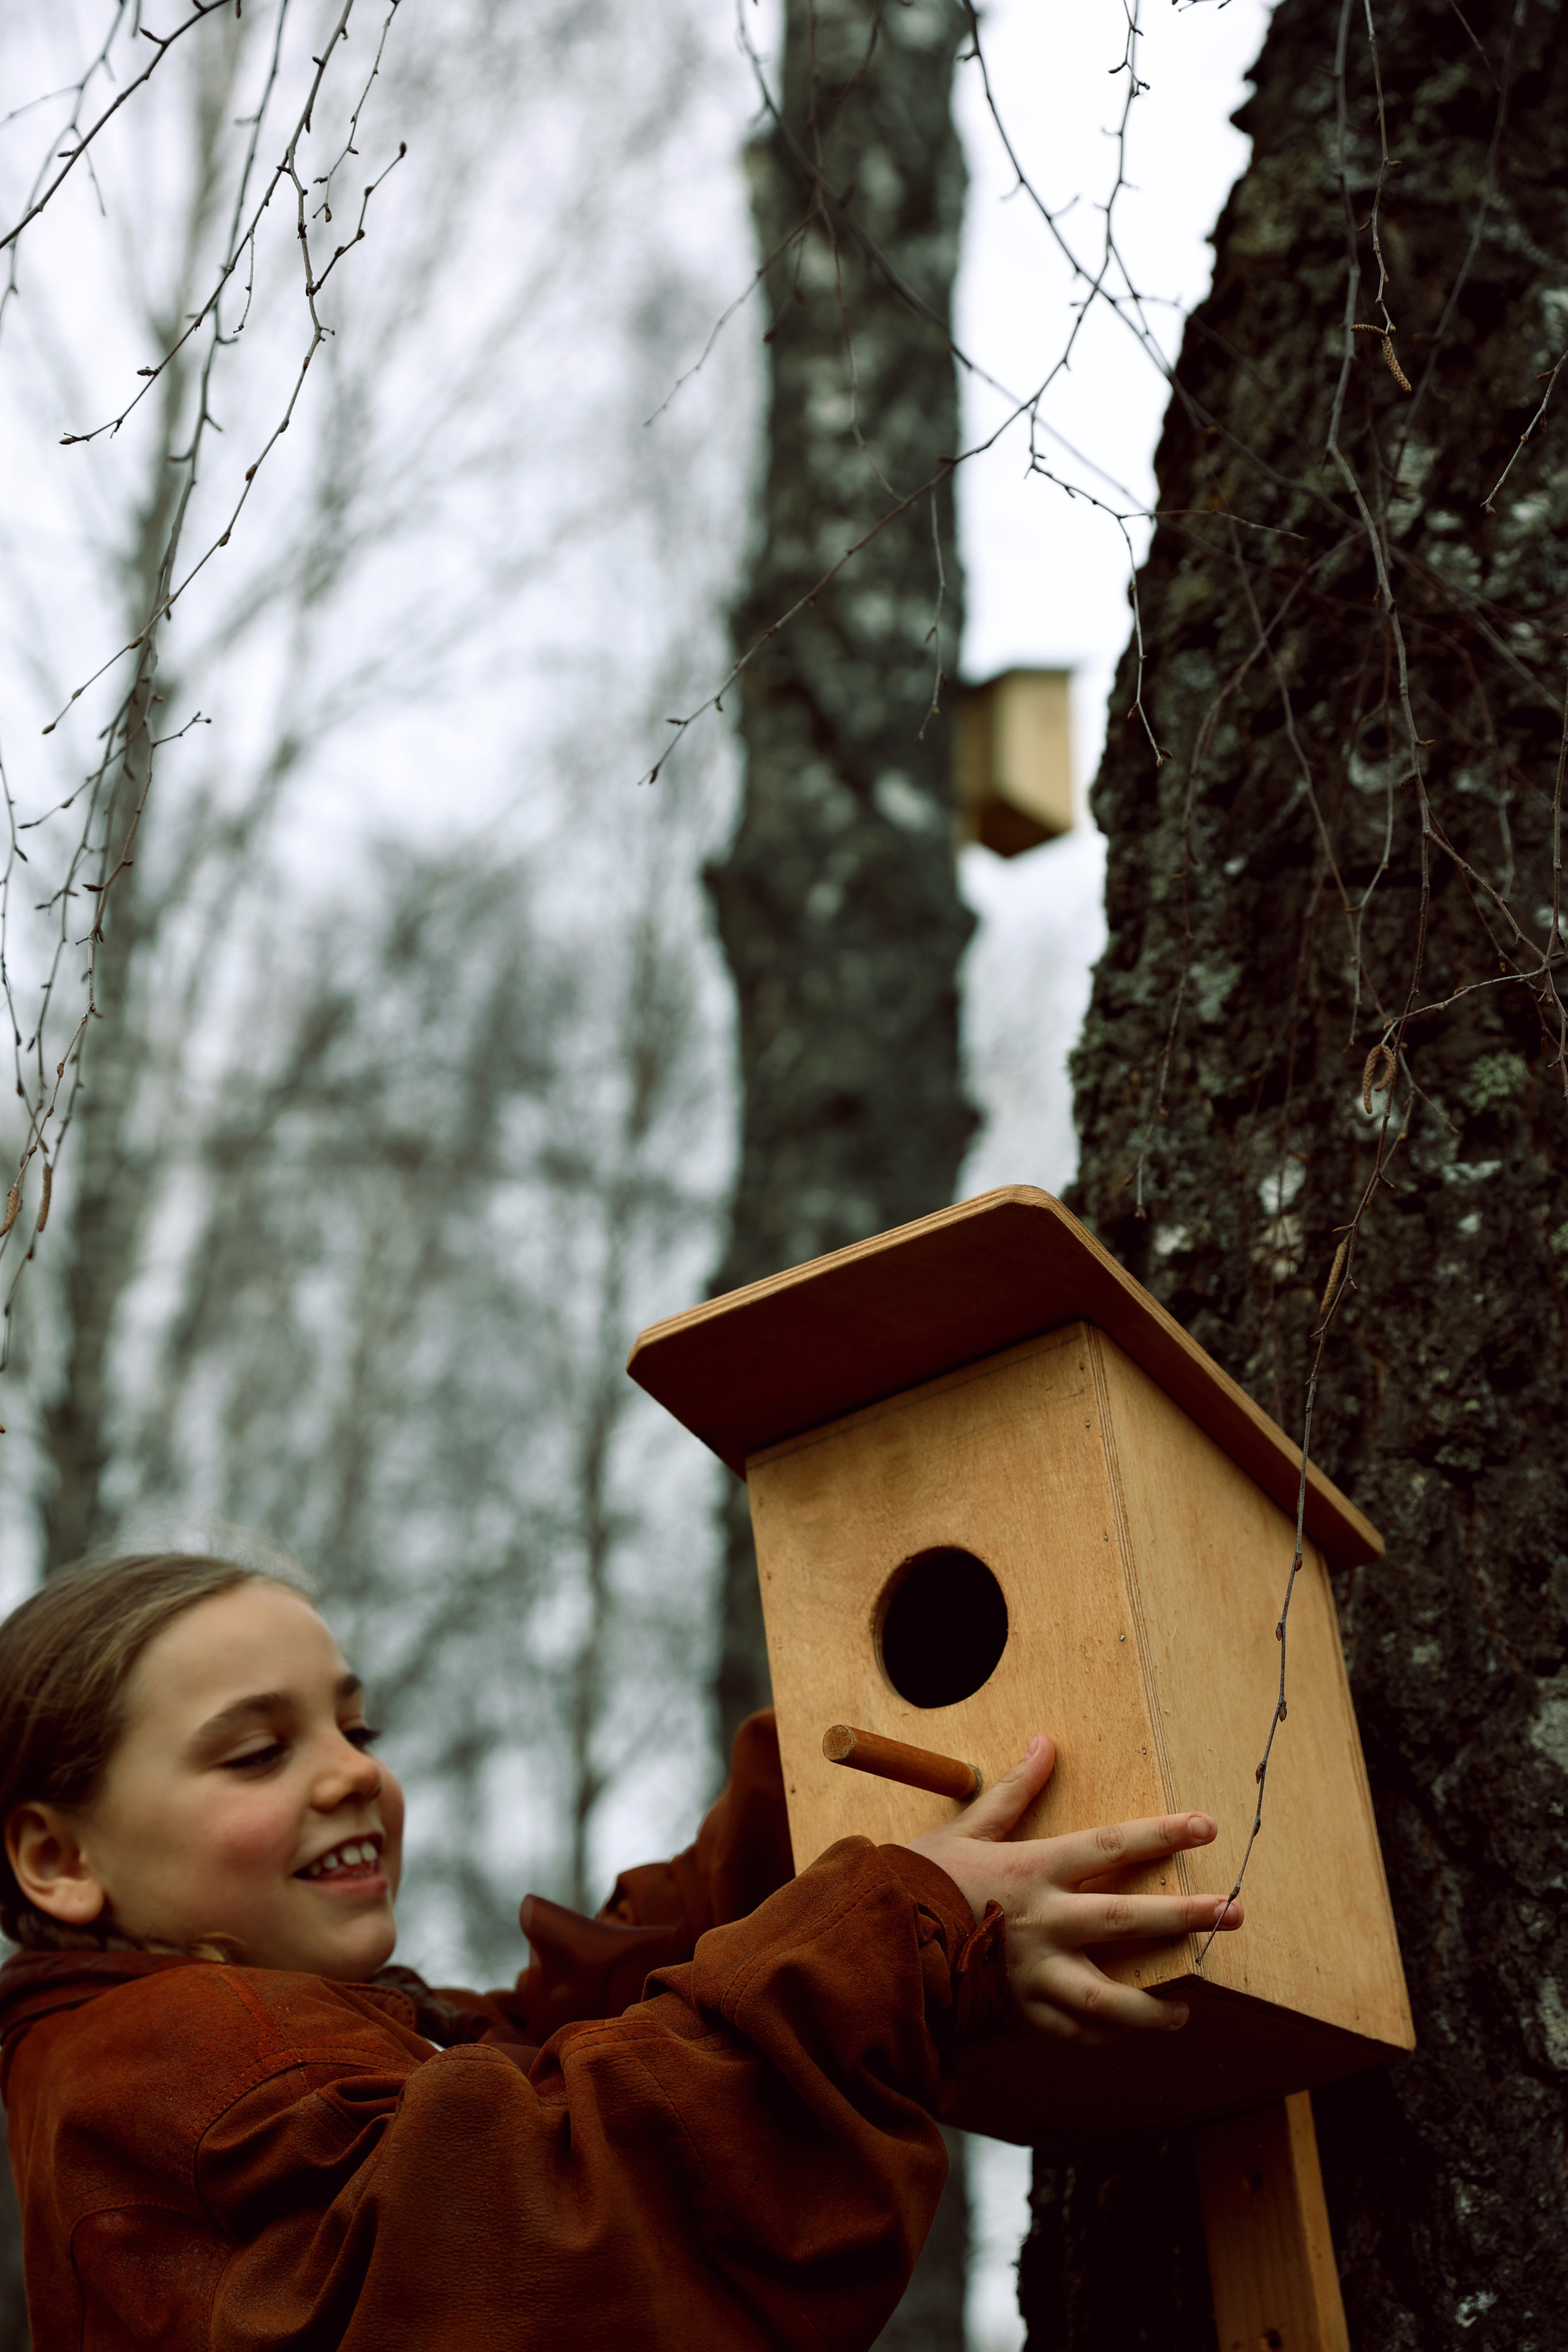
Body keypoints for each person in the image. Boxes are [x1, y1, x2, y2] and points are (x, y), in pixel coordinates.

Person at [0, 1551, 1240, 2350]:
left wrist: (808, 1812)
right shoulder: (176, 2053)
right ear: (59, 1860)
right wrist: (896, 1930)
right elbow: (541, 2227)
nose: (355, 1772)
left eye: (354, 1723)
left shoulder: (235, 2056)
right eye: (254, 1752)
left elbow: (546, 2045)